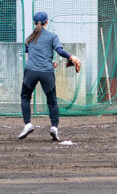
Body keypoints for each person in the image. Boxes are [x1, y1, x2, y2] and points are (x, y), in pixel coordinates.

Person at [18, 12, 81, 142]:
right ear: (47, 22)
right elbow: (59, 51)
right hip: (46, 72)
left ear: (34, 22)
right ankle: (54, 128)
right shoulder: (52, 36)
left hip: (31, 71)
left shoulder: (29, 38)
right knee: (52, 101)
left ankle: (28, 125)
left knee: (25, 97)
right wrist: (71, 57)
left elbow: (32, 55)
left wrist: (48, 61)